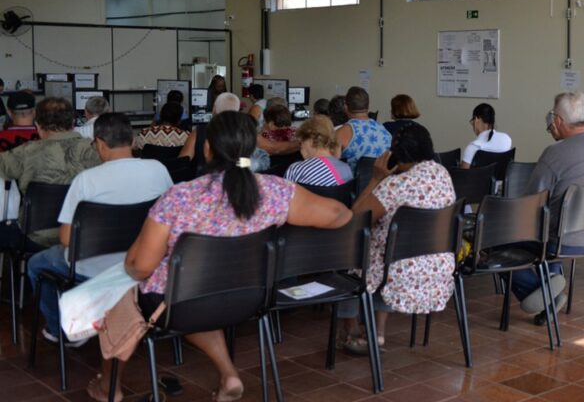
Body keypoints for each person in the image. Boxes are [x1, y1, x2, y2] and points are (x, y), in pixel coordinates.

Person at [89, 111, 352, 402]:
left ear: (207, 148)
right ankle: (228, 376)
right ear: (252, 148)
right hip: (250, 299)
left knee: (117, 293)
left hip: (181, 303)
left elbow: (140, 267)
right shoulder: (276, 191)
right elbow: (341, 214)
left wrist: (127, 267)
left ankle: (108, 387)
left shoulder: (180, 197)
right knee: (200, 292)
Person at [27, 113, 173, 346]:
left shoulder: (87, 179)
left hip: (93, 266)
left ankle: (63, 331)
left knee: (35, 264)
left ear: (100, 144)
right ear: (133, 140)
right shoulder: (158, 169)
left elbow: (67, 239)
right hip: (144, 263)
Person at [339, 123, 455, 355]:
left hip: (399, 276)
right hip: (438, 270)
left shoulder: (395, 185)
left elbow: (355, 218)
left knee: (352, 254)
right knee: (385, 252)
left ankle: (351, 331)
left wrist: (375, 179)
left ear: (395, 155)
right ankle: (378, 332)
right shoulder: (442, 173)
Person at [512, 92, 584, 324]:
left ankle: (541, 292)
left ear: (558, 120)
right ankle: (551, 283)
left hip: (561, 241)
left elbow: (531, 202)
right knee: (554, 223)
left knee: (499, 239)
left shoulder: (555, 154)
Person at [0, 97, 101, 252]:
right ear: (73, 123)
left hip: (35, 236)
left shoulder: (25, 152)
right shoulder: (96, 151)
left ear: (38, 126)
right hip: (83, 234)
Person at [180, 93, 270, 174]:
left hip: (202, 180)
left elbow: (183, 161)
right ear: (237, 110)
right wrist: (237, 164)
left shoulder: (198, 132)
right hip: (240, 182)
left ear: (214, 109)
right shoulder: (245, 132)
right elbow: (260, 161)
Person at [285, 115, 353, 186]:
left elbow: (285, 196)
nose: (301, 147)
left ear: (310, 140)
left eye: (301, 142)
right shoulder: (346, 169)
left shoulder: (296, 170)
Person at [337, 87, 391, 175]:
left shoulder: (341, 132)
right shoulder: (385, 132)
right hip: (380, 185)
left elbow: (328, 162)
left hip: (350, 186)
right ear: (369, 107)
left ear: (345, 107)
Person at [459, 102, 512, 168]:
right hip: (501, 178)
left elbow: (463, 175)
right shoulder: (506, 139)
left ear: (476, 119)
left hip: (477, 178)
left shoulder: (473, 147)